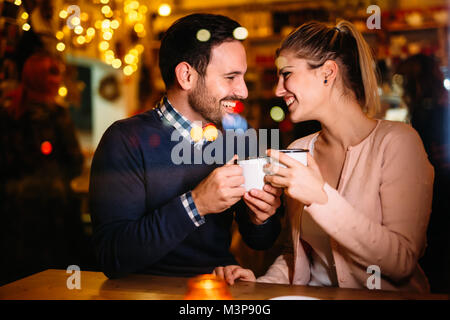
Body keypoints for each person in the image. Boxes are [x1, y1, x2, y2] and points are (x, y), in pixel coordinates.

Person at [214, 20, 434, 293]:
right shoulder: (300, 148)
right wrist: (260, 284)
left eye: (287, 74)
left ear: (328, 73)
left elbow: (401, 261)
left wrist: (320, 198)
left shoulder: (398, 143)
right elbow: (300, 257)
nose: (278, 89)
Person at [89, 13, 282, 279]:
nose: (243, 91)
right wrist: (197, 203)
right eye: (230, 77)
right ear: (186, 76)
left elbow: (259, 240)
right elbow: (111, 256)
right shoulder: (125, 140)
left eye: (243, 77)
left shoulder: (238, 136)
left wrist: (261, 218)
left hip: (217, 293)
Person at [0, 52, 84, 285]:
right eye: (53, 73)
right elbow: (74, 160)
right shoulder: (55, 115)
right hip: (52, 210)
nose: (58, 80)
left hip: (13, 212)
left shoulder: (8, 112)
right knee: (56, 279)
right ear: (38, 78)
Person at [396, 54, 450, 293]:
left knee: (434, 249)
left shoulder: (425, 108)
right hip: (440, 183)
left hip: (435, 187)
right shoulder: (438, 105)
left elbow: (428, 153)